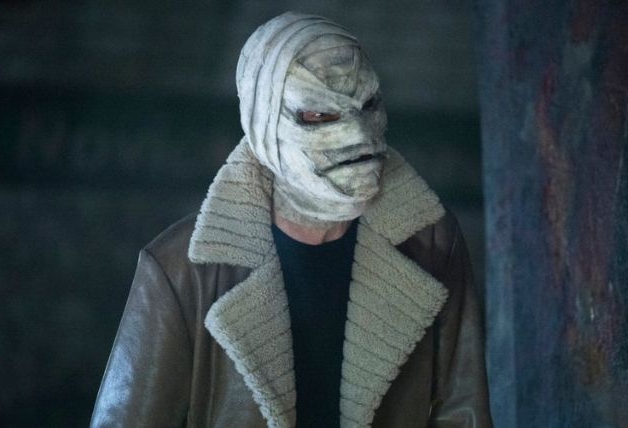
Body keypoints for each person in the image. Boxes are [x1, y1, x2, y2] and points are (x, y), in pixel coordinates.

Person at [91, 11, 492, 428]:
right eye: (319, 114)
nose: (358, 134)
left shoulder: (431, 242)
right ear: (262, 121)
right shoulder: (180, 271)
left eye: (368, 104)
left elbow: (464, 413)